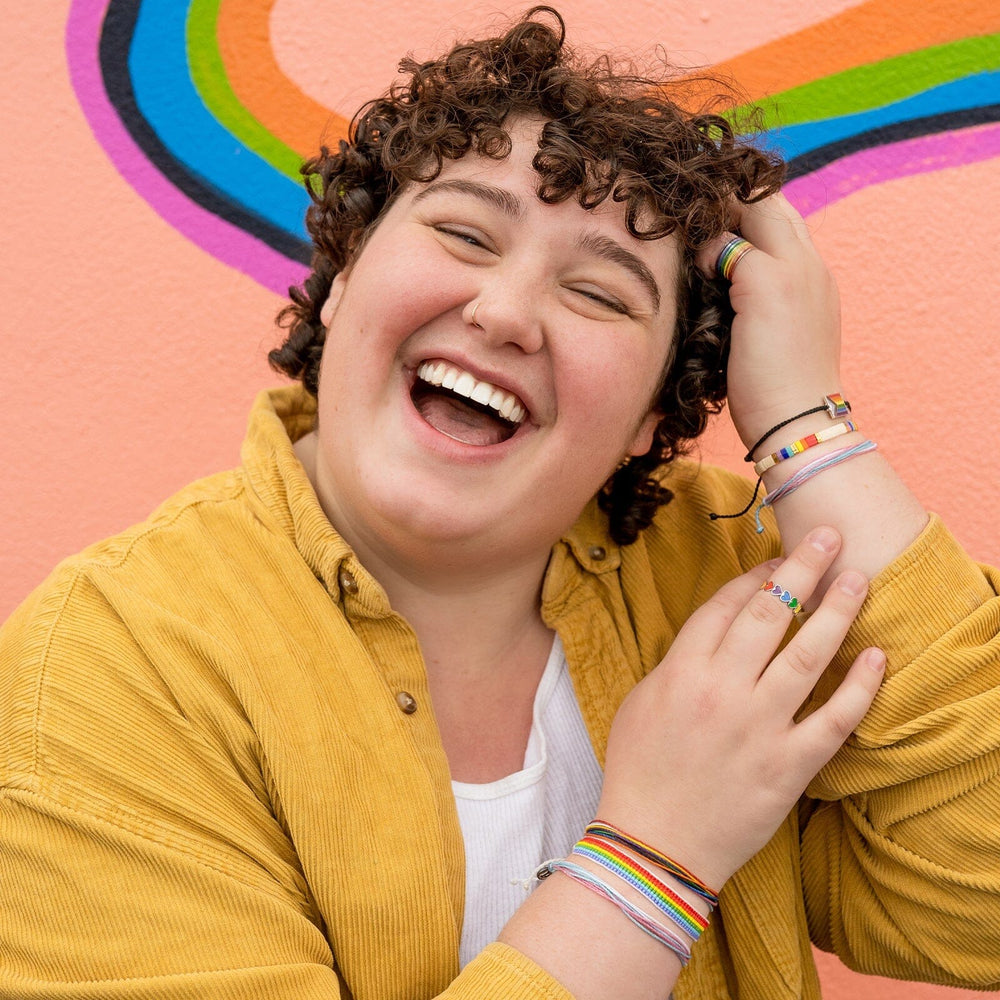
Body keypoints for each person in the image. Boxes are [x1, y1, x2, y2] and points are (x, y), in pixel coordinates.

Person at [2, 7, 998, 999]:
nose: (505, 311)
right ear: (343, 282)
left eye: (603, 295)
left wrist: (804, 426)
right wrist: (653, 857)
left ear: (653, 417)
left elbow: (979, 906)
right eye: (464, 232)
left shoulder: (721, 586)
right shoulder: (108, 659)